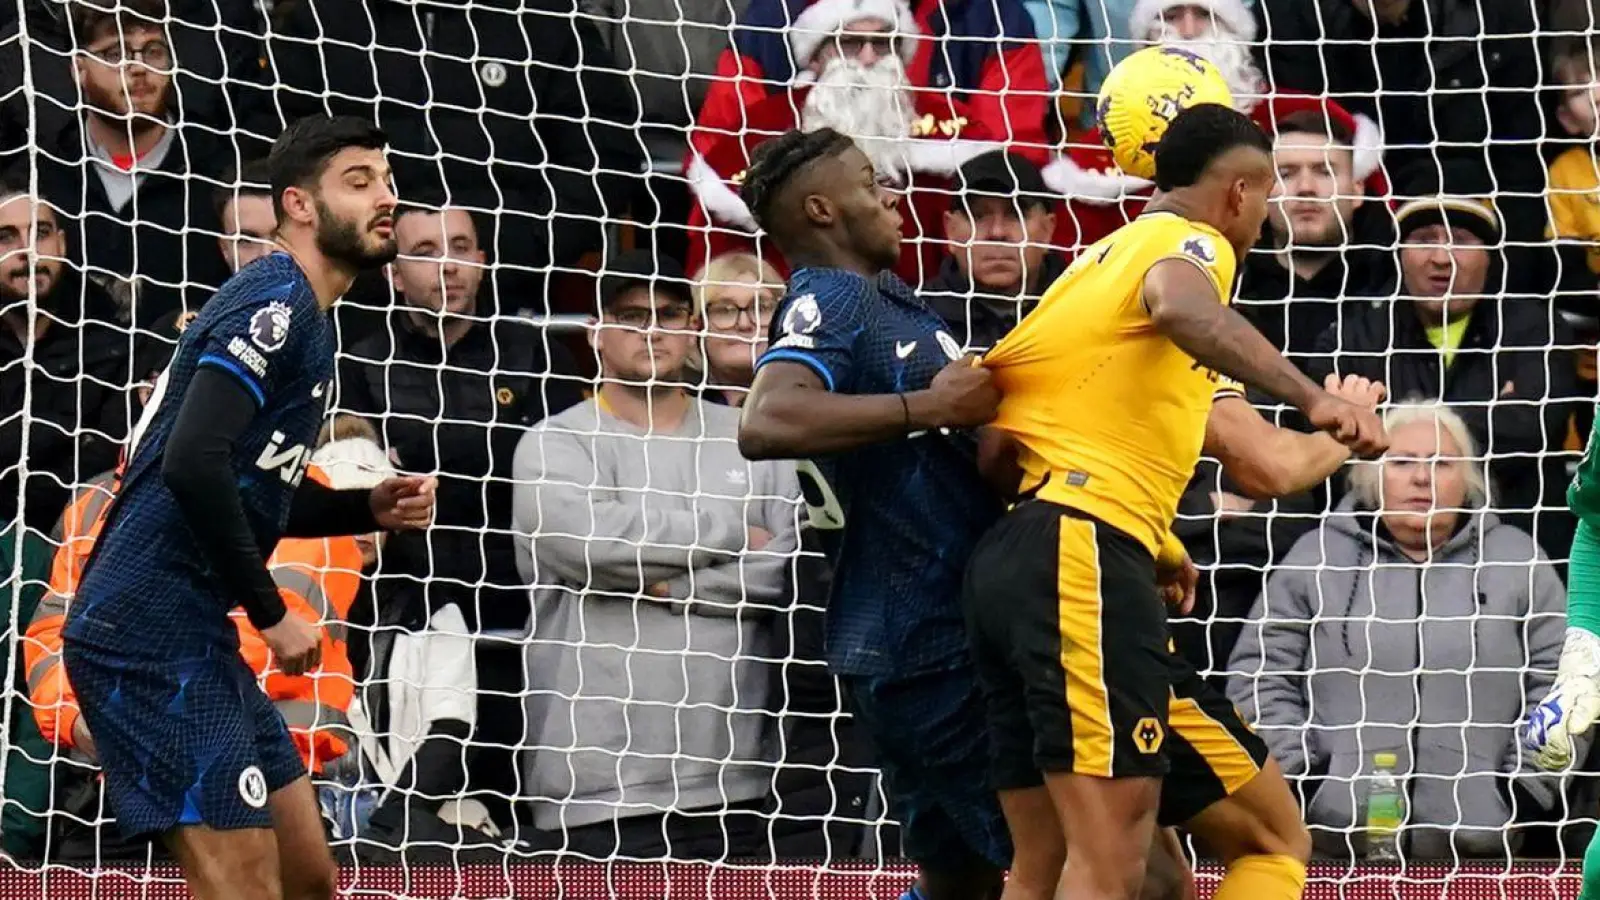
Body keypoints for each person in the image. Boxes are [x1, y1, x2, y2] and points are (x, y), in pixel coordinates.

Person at [966, 104, 1385, 900]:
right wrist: (1319, 400)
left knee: (1063, 863)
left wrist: (1147, 535)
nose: (1267, 212)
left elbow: (1000, 446)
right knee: (1123, 861)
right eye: (1265, 192)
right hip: (1080, 560)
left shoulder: (1088, 278)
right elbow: (1184, 307)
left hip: (1028, 560)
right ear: (1237, 192)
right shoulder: (1184, 249)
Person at [59, 115, 436, 900]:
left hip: (193, 634)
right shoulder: (274, 300)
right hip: (144, 634)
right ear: (298, 205)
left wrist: (369, 506)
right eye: (359, 183)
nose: (385, 200)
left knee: (307, 879)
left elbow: (250, 489)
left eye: (388, 183)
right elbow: (194, 465)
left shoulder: (314, 323)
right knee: (247, 888)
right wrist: (268, 611)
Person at [736, 127, 1011, 900]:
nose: (891, 194)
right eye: (868, 182)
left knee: (961, 877)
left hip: (915, 631)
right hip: (923, 634)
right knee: (1049, 858)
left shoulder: (890, 300)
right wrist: (933, 403)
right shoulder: (833, 294)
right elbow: (767, 421)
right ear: (822, 208)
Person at [513, 251, 802, 860]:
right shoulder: (553, 442)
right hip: (594, 786)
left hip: (736, 776)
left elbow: (785, 570)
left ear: (693, 329)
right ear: (595, 331)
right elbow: (587, 544)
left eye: (669, 313)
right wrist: (727, 532)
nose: (652, 328)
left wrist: (671, 586)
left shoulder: (755, 437)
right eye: (630, 314)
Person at [1234, 404, 1570, 859]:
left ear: (1469, 479)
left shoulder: (1518, 561)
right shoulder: (1315, 557)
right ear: (1371, 474)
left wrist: (1522, 791)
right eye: (1402, 461)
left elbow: (1563, 681)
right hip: (1335, 847)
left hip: (1483, 851)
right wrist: (1305, 779)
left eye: (1442, 463)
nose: (1422, 478)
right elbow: (1259, 675)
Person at [692, 251, 785, 406]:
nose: (744, 324)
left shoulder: (814, 397)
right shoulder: (675, 405)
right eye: (725, 310)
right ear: (698, 325)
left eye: (760, 308)